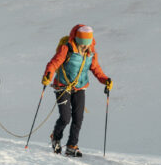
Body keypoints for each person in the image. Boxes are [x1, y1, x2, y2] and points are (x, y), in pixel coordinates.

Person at [41, 24, 112, 157]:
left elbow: (96, 69)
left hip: (80, 87)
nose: (86, 46)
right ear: (78, 41)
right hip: (62, 86)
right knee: (65, 117)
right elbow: (54, 63)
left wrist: (105, 80)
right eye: (83, 43)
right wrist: (48, 75)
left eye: (88, 43)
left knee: (78, 117)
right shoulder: (66, 49)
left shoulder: (91, 52)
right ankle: (56, 138)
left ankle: (71, 145)